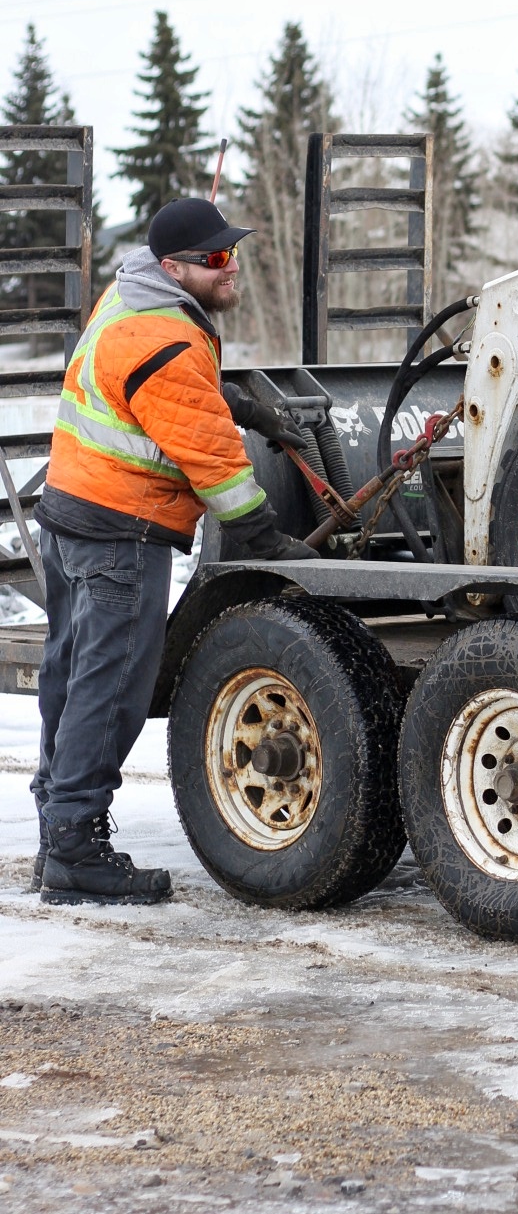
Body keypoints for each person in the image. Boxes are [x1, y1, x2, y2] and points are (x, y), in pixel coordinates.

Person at [31, 198, 317, 905]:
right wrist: (260, 531)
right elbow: (212, 458)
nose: (231, 268)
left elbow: (167, 397)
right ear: (173, 267)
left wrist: (239, 404)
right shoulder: (169, 337)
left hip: (73, 513)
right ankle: (76, 850)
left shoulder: (132, 297)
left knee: (71, 676)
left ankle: (57, 833)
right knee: (111, 689)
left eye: (231, 253)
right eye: (215, 259)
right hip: (118, 532)